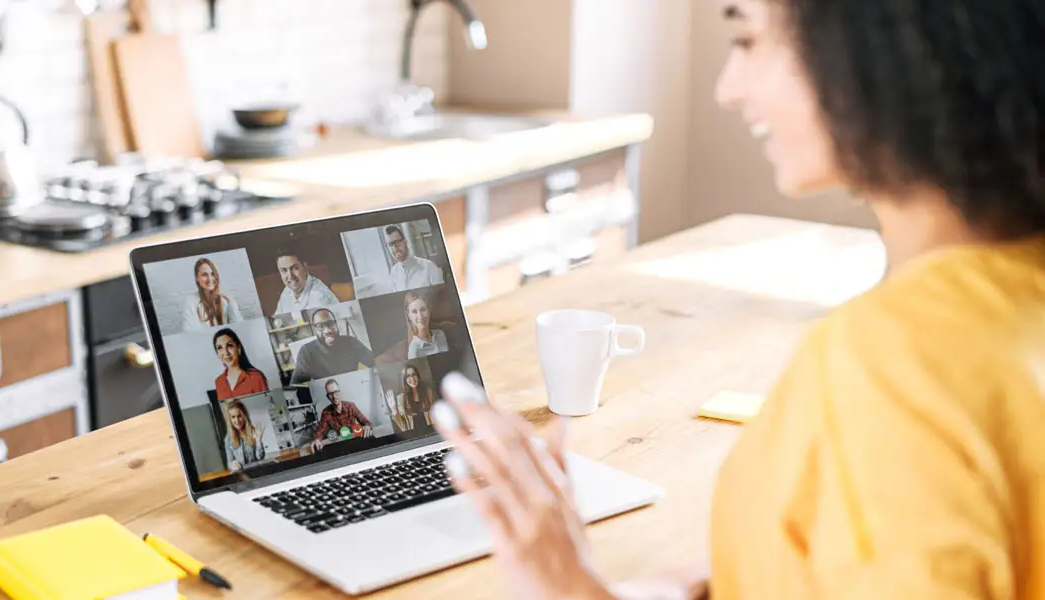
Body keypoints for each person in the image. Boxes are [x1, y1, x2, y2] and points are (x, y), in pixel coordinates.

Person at [429, 1, 1045, 599]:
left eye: (748, 39)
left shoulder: (894, 363)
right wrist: (687, 587)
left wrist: (571, 589)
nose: (728, 88)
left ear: (877, 48)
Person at [290, 308, 375, 384]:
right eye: (320, 326)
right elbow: (297, 386)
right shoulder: (306, 352)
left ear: (336, 324)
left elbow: (374, 362)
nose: (327, 331)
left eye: (331, 324)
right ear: (315, 329)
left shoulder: (351, 342)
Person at [376, 292, 452, 364]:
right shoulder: (414, 347)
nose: (420, 316)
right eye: (414, 312)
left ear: (428, 311)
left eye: (423, 310)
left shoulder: (440, 334)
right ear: (409, 315)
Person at [273, 245, 340, 316]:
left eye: (295, 268)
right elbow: (278, 319)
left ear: (305, 267)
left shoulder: (319, 296)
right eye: (284, 270)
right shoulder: (287, 291)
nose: (290, 276)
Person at [310, 379, 373, 452]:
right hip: (340, 445)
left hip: (355, 440)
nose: (334, 396)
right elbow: (320, 430)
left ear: (340, 392)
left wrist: (367, 426)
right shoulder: (326, 412)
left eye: (336, 392)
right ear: (327, 397)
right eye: (330, 394)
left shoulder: (351, 406)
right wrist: (317, 439)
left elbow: (366, 421)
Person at [182, 257, 244, 331]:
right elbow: (189, 332)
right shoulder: (191, 302)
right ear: (197, 278)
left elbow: (240, 328)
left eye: (212, 274)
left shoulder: (227, 299)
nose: (210, 279)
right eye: (204, 275)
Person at [212, 328, 268, 401]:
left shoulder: (256, 376)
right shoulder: (219, 382)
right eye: (220, 348)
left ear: (238, 349)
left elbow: (266, 404)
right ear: (218, 354)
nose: (226, 352)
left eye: (229, 345)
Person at [385, 225, 443, 291]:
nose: (395, 248)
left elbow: (442, 294)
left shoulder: (429, 267)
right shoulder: (394, 272)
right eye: (390, 244)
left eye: (398, 242)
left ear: (405, 241)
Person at [223, 399, 267, 472]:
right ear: (229, 419)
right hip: (241, 475)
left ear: (244, 416)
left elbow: (260, 457)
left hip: (256, 472)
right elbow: (229, 462)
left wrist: (259, 440)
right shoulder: (228, 439)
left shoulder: (253, 431)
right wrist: (232, 465)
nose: (237, 420)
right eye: (233, 417)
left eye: (239, 416)